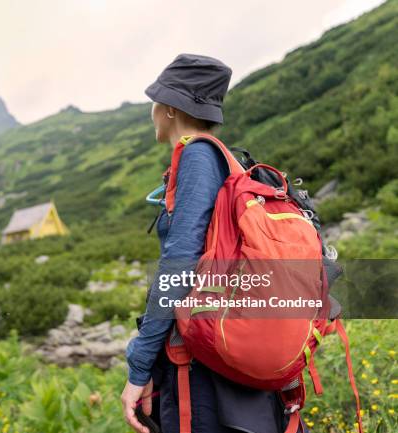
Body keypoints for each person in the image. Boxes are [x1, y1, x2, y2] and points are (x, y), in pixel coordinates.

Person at [122, 54, 290, 433]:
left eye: (154, 103)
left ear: (167, 108)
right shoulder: (222, 158)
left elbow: (179, 264)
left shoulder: (198, 155)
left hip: (202, 367)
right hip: (223, 353)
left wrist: (139, 366)